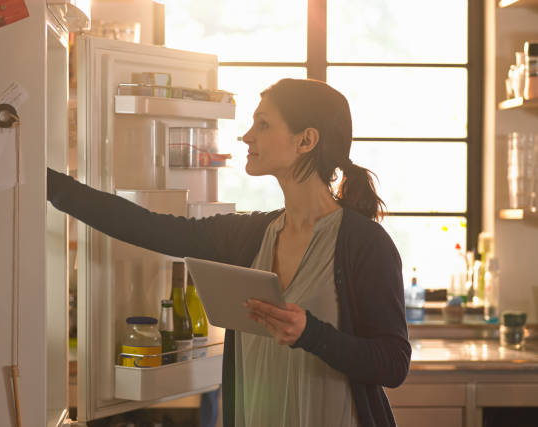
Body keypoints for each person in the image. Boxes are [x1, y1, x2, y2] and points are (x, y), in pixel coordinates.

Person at [48, 78, 411, 426]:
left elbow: (393, 365)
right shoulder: (251, 234)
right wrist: (45, 181)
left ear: (306, 140)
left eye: (263, 124)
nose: (247, 135)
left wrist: (311, 334)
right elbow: (146, 226)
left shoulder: (364, 243)